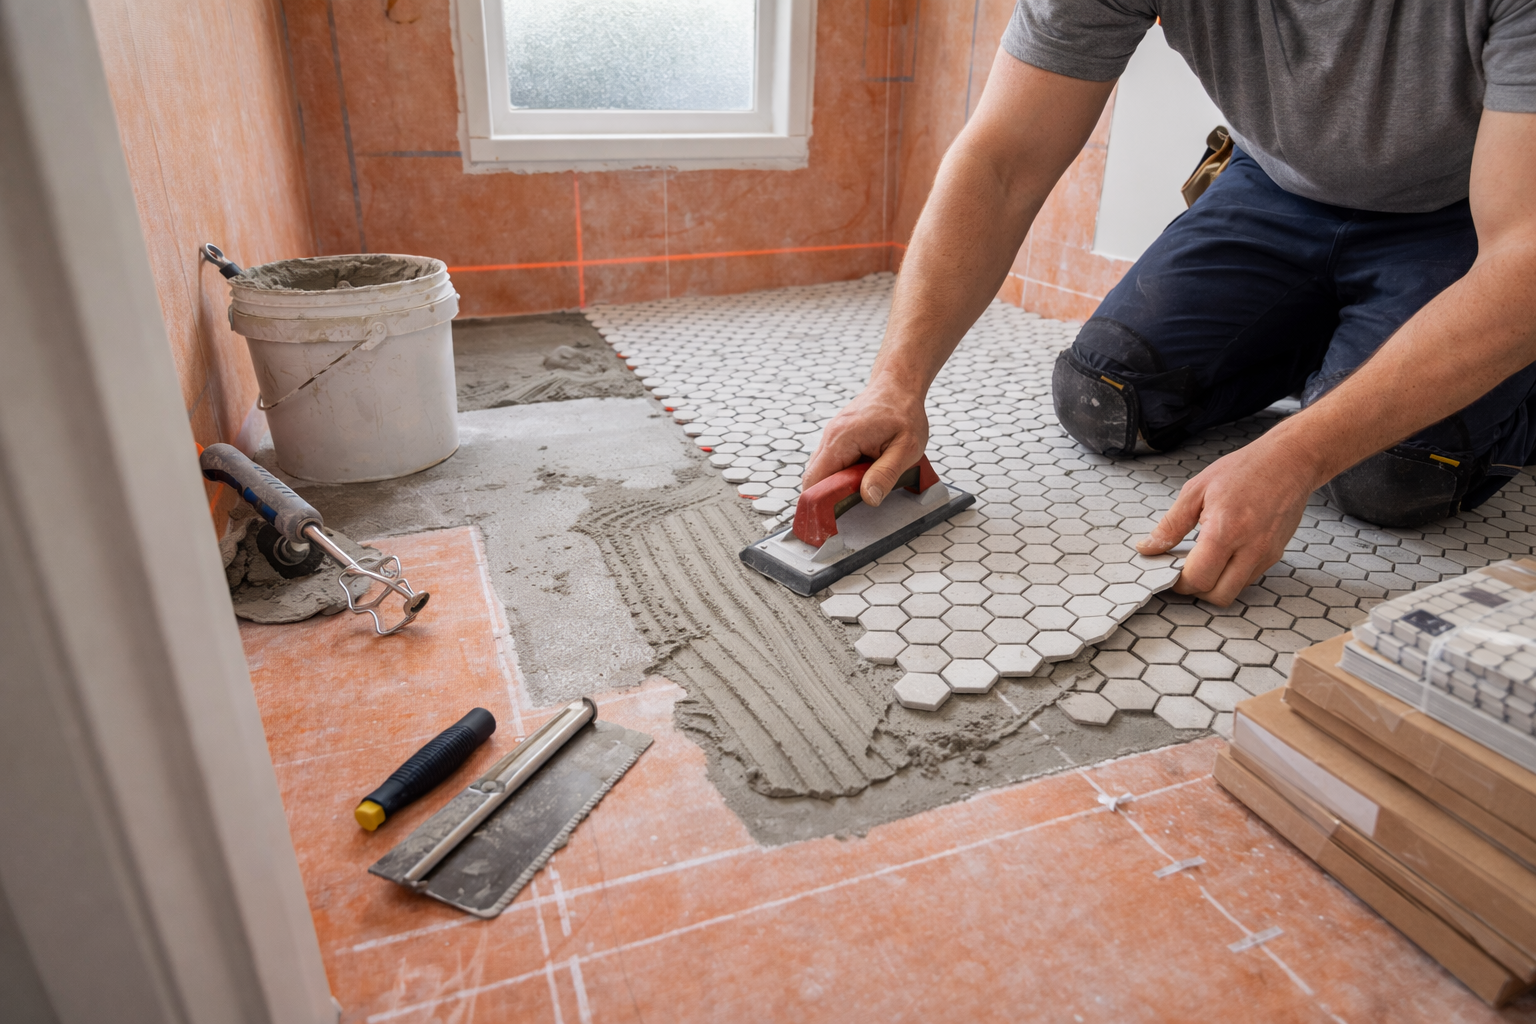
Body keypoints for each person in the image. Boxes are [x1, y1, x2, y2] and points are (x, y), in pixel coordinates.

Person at [802, 0, 1536, 606]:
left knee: (1388, 472)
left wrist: (1298, 451)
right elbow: (1001, 162)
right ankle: (1337, 344)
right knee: (1103, 398)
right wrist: (895, 384)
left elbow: (1523, 255)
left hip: (1468, 212)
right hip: (1277, 183)